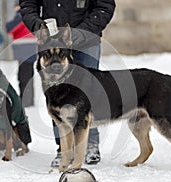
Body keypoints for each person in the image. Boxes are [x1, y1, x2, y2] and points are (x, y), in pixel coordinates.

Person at [19, 0, 116, 166]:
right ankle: (63, 150)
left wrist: (81, 32)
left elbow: (105, 6)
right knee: (56, 96)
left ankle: (90, 144)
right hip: (50, 43)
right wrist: (38, 25)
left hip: (87, 42)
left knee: (88, 96)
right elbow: (28, 4)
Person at [6, 2, 37, 107]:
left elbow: (9, 28)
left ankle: (26, 100)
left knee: (24, 77)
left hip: (25, 51)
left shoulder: (21, 16)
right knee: (27, 76)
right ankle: (28, 99)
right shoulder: (29, 15)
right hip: (29, 50)